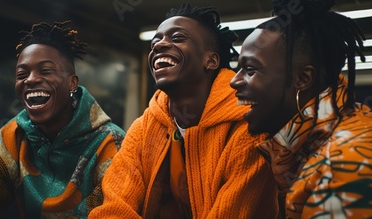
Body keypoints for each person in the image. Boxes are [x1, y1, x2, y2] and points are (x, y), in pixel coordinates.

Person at [90, 3, 279, 218]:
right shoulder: (143, 129)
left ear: (211, 60)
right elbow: (114, 208)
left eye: (178, 37)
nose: (159, 45)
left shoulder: (249, 125)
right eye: (155, 41)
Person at [0, 20, 125, 218]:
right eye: (21, 74)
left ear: (72, 83)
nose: (31, 79)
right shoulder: (12, 137)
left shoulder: (110, 143)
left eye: (45, 71)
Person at [230, 0, 372, 218]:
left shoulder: (342, 172)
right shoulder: (341, 123)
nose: (234, 81)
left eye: (250, 69)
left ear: (303, 79)